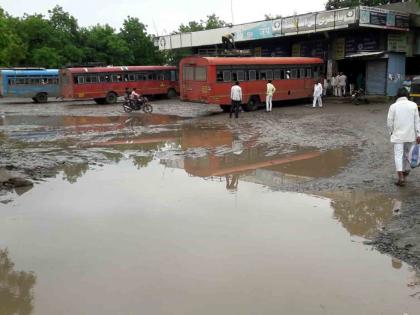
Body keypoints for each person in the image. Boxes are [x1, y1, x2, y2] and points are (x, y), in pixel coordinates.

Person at [387, 88, 420, 186]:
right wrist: (418, 134)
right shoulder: (413, 105)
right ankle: (406, 169)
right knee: (407, 153)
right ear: (407, 95)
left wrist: (391, 133)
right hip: (410, 135)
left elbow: (389, 122)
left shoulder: (393, 106)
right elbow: (417, 121)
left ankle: (401, 177)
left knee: (398, 155)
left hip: (398, 135)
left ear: (397, 95)